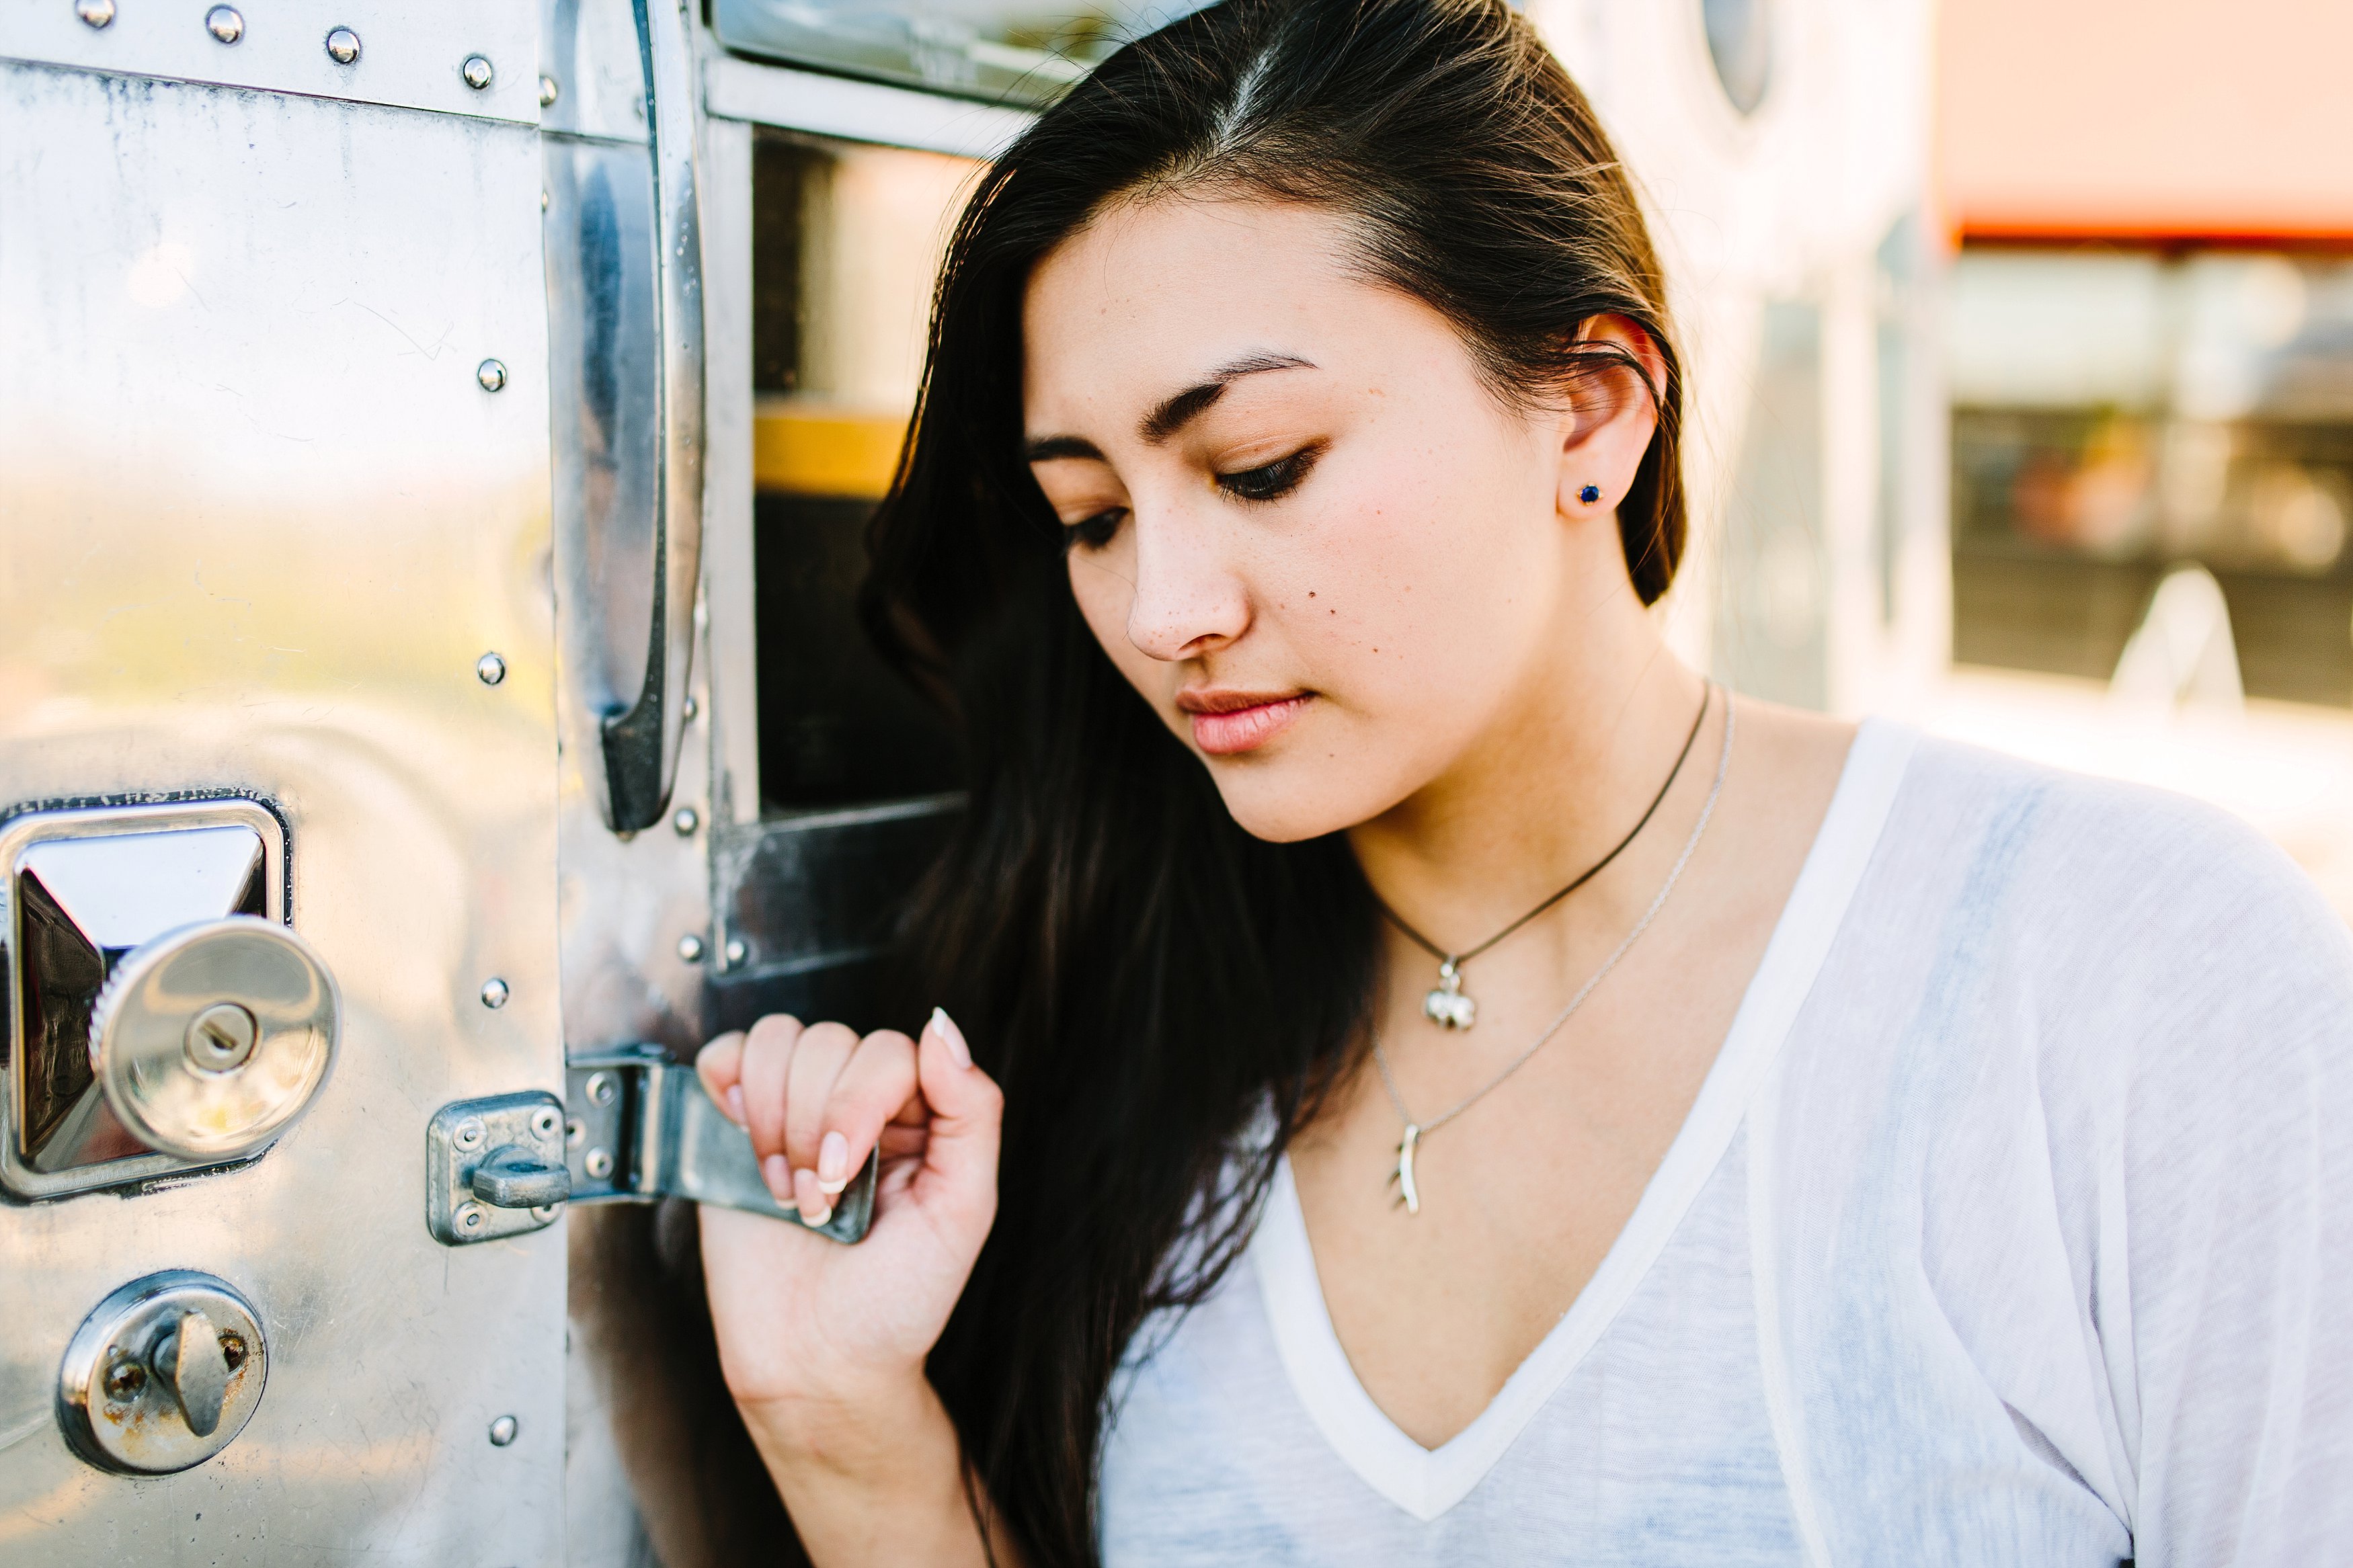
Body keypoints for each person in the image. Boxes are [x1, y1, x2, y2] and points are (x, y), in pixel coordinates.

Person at [691, 1, 2353, 1562]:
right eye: (1094, 515)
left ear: (1592, 412)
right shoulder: (1129, 1026)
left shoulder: (2129, 976)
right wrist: (838, 1413)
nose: (1161, 609)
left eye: (1261, 467)